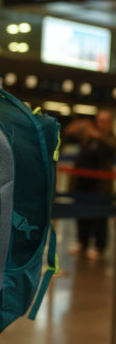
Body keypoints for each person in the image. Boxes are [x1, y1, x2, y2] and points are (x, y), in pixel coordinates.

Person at [64, 109, 115, 260]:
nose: (101, 124)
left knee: (99, 218)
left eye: (104, 121)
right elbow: (67, 139)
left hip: (100, 187)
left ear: (110, 123)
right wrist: (70, 130)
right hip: (82, 185)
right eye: (99, 121)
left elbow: (111, 147)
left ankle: (99, 246)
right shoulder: (88, 138)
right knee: (81, 216)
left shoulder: (110, 139)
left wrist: (98, 136)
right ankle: (82, 242)